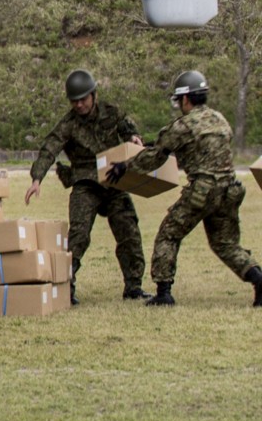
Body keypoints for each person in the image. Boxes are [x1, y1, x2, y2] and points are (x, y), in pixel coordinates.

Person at [113, 71, 262, 307]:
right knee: (226, 244)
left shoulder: (183, 125)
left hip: (203, 190)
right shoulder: (220, 120)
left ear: (185, 99)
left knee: (169, 235)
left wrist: (125, 167)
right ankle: (258, 279)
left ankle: (164, 292)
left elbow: (156, 157)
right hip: (230, 188)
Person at [24, 69, 146, 303]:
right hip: (85, 182)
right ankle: (65, 288)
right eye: (74, 101)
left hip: (113, 180)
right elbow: (50, 148)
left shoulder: (111, 112)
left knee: (129, 231)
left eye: (83, 99)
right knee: (78, 236)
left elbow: (127, 125)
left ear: (93, 95)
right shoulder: (68, 124)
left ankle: (133, 287)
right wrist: (37, 178)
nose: (79, 104)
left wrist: (133, 136)